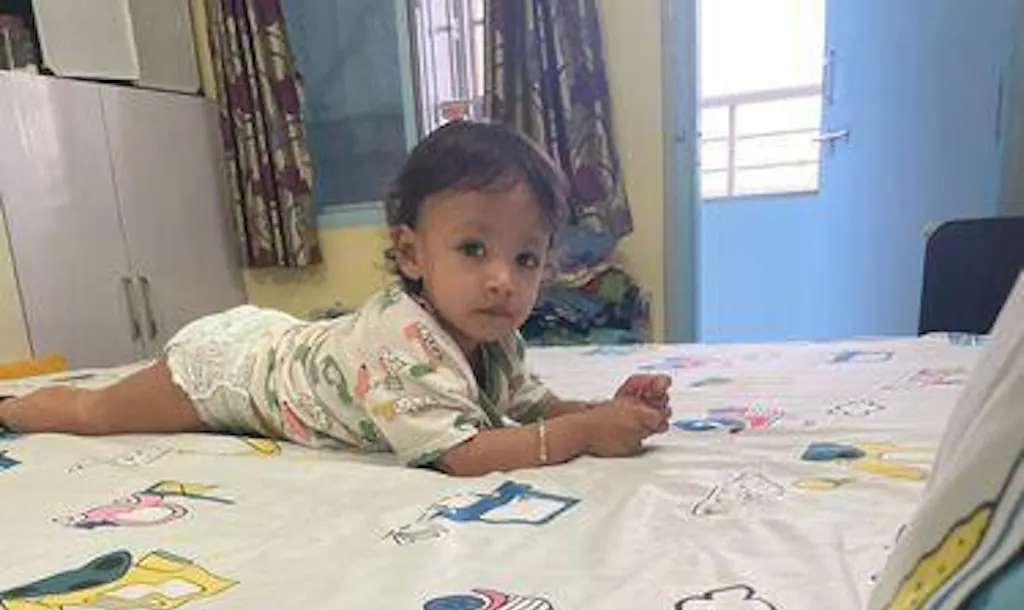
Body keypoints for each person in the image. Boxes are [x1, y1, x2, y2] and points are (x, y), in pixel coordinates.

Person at [0, 121, 670, 477]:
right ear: (411, 253)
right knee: (92, 411)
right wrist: (583, 435)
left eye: (526, 258)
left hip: (282, 343)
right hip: (226, 373)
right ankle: (10, 405)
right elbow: (462, 454)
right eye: (473, 248)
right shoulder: (403, 339)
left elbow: (526, 407)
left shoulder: (496, 334)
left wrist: (606, 411)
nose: (503, 279)